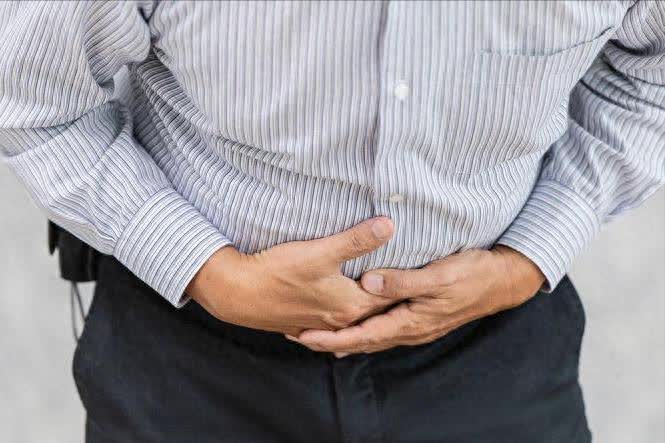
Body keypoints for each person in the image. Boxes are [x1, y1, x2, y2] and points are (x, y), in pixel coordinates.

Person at [1, 1, 663, 442]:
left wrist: (527, 258)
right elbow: (33, 97)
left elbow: (651, 74)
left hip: (491, 351)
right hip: (192, 362)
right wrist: (207, 271)